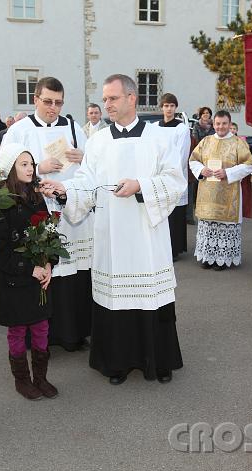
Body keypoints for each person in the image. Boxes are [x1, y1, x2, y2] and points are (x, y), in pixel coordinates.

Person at [39, 74, 186, 385]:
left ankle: (157, 362)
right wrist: (65, 191)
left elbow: (175, 181)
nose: (106, 104)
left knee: (149, 296)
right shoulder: (98, 141)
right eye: (104, 99)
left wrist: (141, 185)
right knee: (115, 297)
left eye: (113, 98)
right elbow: (87, 183)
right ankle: (116, 362)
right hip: (111, 233)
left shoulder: (160, 138)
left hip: (147, 233)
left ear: (131, 98)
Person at [1, 76, 92, 352]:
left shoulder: (75, 128)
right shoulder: (19, 131)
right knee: (43, 269)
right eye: (48, 101)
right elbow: (3, 169)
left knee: (73, 273)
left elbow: (92, 167)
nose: (53, 108)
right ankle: (40, 337)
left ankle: (73, 334)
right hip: (35, 210)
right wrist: (39, 167)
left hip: (71, 211)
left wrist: (83, 156)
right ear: (35, 100)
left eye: (58, 102)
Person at [0, 144, 59, 400]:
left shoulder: (36, 195)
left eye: (31, 163)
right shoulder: (0, 202)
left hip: (39, 276)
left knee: (41, 327)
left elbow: (49, 233)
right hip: (14, 278)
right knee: (18, 330)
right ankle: (22, 380)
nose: (31, 169)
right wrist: (30, 269)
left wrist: (50, 262)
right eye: (24, 164)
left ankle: (41, 377)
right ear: (10, 169)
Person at [189, 110, 252, 270]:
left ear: (230, 124)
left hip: (228, 193)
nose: (221, 127)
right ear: (213, 124)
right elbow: (193, 160)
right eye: (218, 123)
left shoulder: (238, 143)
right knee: (208, 226)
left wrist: (228, 172)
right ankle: (207, 257)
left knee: (223, 226)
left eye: (224, 123)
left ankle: (222, 260)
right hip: (207, 194)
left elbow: (249, 165)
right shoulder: (206, 141)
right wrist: (201, 169)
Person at [156, 93, 191, 259]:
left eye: (171, 106)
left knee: (175, 214)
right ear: (161, 107)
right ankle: (160, 247)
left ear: (175, 108)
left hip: (175, 176)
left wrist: (171, 173)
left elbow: (182, 154)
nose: (168, 109)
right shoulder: (155, 127)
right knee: (161, 212)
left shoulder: (181, 128)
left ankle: (174, 249)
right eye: (165, 105)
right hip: (158, 175)